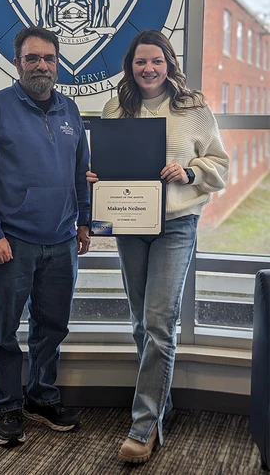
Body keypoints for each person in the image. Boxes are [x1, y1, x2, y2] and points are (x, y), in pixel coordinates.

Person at [87, 30, 229, 464]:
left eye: (156, 61)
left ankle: (143, 426)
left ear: (169, 64)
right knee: (139, 322)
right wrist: (97, 177)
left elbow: (220, 164)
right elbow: (108, 161)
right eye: (139, 62)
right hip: (129, 225)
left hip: (176, 226)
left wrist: (189, 173)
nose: (148, 69)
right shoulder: (116, 108)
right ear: (130, 66)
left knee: (159, 323)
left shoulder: (193, 108)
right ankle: (160, 402)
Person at [0, 26, 91, 445]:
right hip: (11, 242)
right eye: (32, 58)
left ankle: (41, 398)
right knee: (3, 331)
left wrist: (84, 222)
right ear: (17, 63)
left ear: (58, 64)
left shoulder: (70, 110)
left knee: (51, 327)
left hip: (60, 242)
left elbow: (79, 173)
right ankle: (7, 407)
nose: (42, 65)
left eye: (49, 58)